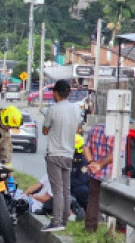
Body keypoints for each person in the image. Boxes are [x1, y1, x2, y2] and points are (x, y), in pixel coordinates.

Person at [41, 79, 83, 232]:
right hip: (68, 154)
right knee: (66, 189)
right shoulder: (76, 109)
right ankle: (64, 219)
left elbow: (45, 130)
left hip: (54, 154)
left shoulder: (52, 109)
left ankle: (56, 221)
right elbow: (78, 129)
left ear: (56, 93)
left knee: (57, 190)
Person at [84, 121, 118, 233]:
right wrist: (100, 165)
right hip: (109, 174)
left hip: (94, 172)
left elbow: (86, 147)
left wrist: (91, 162)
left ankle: (90, 228)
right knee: (113, 203)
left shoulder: (95, 128)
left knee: (93, 199)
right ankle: (112, 230)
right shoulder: (117, 133)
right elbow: (116, 153)